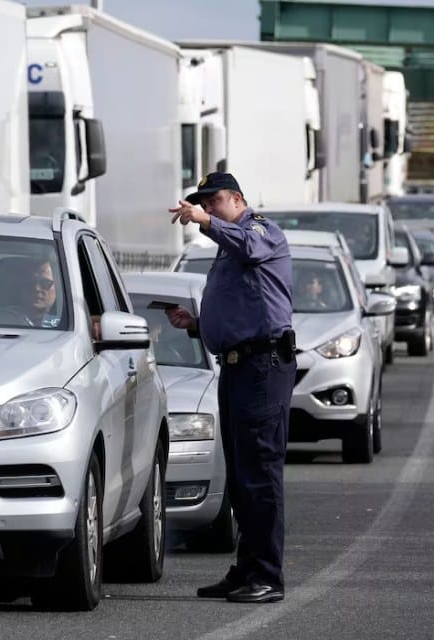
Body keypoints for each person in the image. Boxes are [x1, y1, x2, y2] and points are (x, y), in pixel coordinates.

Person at [166, 172, 296, 604]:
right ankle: (246, 570)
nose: (206, 207)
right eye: (201, 202)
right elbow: (243, 311)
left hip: (263, 366)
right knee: (241, 478)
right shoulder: (226, 247)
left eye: (213, 200)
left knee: (259, 474)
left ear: (237, 199)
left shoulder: (259, 231)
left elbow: (252, 246)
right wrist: (198, 325)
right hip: (239, 368)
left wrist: (205, 222)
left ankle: (267, 576)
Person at [0, 256, 59, 328]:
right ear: (21, 287)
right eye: (31, 282)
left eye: (45, 283)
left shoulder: (66, 325)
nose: (37, 288)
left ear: (58, 287)